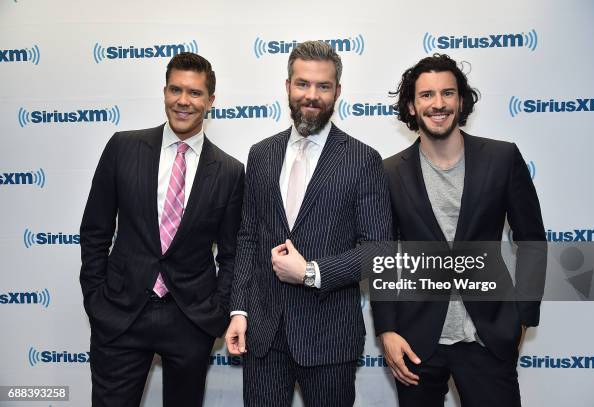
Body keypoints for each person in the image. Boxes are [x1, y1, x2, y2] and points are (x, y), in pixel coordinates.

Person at [372, 53, 546, 406]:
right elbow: (383, 256)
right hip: (416, 341)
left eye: (447, 93)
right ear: (411, 105)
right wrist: (387, 329)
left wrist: (522, 316)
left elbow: (532, 241)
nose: (438, 104)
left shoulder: (502, 158)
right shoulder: (388, 173)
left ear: (461, 100)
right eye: (426, 95)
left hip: (488, 337)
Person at [224, 41, 392, 406]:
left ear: (338, 92)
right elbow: (249, 237)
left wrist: (311, 272)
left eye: (323, 86)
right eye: (302, 84)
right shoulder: (261, 154)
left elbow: (379, 250)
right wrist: (239, 310)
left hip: (329, 337)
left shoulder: (363, 160)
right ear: (287, 87)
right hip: (264, 335)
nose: (311, 95)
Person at [79, 52, 244, 407]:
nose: (184, 101)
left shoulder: (230, 171)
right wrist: (96, 298)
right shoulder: (123, 147)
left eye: (195, 93)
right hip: (121, 313)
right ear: (165, 92)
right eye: (176, 89)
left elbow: (232, 253)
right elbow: (95, 229)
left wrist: (216, 310)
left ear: (210, 101)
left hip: (190, 319)